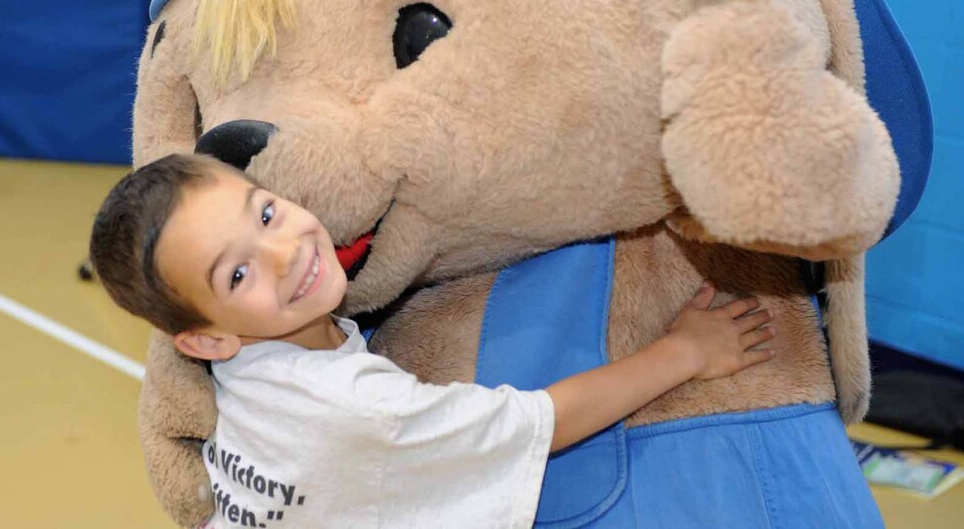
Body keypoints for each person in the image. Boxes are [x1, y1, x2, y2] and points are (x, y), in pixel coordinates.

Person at [90, 153, 775, 529]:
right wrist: (684, 352)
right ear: (207, 341)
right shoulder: (357, 410)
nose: (284, 253)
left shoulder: (256, 362)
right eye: (238, 273)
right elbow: (538, 422)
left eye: (266, 212)